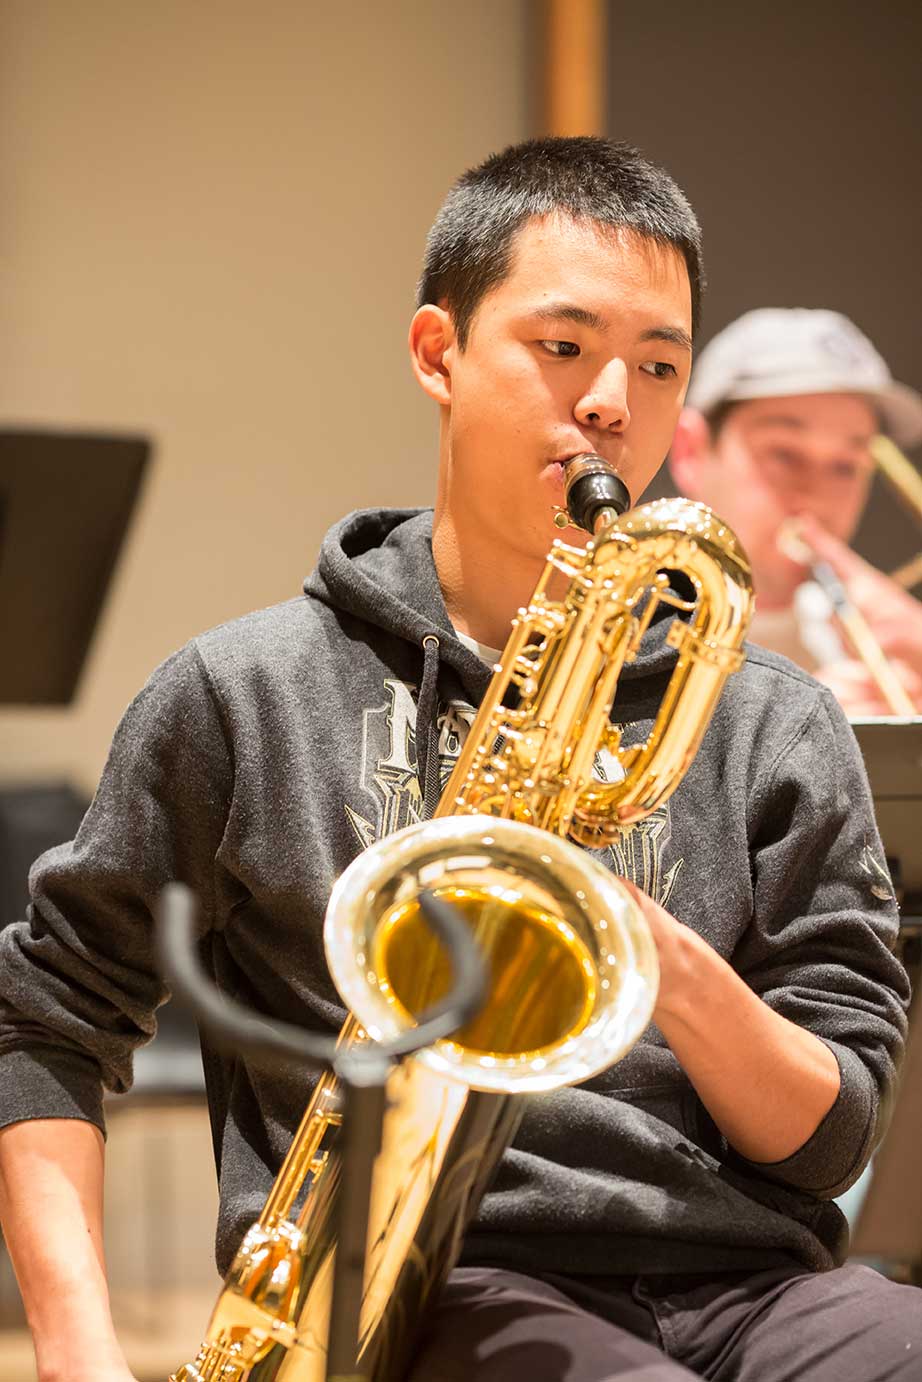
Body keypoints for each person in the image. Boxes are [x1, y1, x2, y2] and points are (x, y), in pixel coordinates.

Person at [0, 137, 918, 1382]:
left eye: (658, 364)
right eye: (563, 347)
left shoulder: (773, 716)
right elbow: (43, 1018)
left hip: (754, 1282)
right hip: (422, 1290)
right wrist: (75, 1351)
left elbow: (828, 1138)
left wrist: (656, 960)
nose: (611, 402)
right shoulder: (244, 690)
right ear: (438, 352)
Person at [670, 307, 922, 715]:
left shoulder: (878, 644)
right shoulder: (622, 628)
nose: (816, 496)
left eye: (845, 466)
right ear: (690, 451)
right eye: (784, 455)